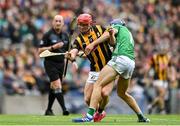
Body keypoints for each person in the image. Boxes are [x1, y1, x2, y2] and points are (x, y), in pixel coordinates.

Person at [72, 19, 150, 122]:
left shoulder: (118, 27)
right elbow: (112, 42)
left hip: (120, 59)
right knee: (122, 93)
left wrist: (92, 44)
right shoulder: (128, 33)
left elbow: (107, 35)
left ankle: (90, 116)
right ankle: (141, 117)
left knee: (98, 84)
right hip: (130, 63)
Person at [67, 13, 114, 122]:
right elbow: (74, 50)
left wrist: (92, 44)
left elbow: (108, 35)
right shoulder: (79, 39)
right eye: (80, 25)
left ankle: (98, 112)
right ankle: (99, 113)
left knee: (104, 93)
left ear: (90, 24)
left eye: (85, 25)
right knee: (87, 98)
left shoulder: (98, 29)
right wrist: (72, 56)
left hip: (108, 67)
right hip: (94, 70)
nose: (82, 27)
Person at [38, 15, 69, 116]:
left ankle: (48, 110)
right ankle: (64, 109)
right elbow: (40, 51)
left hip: (61, 64)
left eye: (60, 21)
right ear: (53, 22)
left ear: (63, 23)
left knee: (53, 87)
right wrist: (52, 47)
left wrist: (72, 59)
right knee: (57, 85)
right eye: (56, 21)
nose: (58, 23)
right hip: (50, 63)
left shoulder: (65, 35)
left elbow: (67, 52)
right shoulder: (47, 35)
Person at [145, 42, 174, 114]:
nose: (163, 50)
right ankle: (162, 110)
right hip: (157, 79)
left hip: (165, 80)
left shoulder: (168, 57)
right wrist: (147, 77)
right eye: (161, 48)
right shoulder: (154, 57)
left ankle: (153, 107)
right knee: (162, 93)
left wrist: (171, 75)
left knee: (162, 97)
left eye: (164, 48)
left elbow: (170, 67)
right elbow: (148, 67)